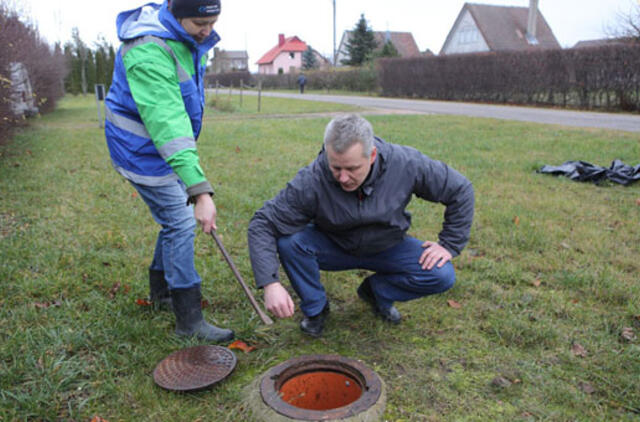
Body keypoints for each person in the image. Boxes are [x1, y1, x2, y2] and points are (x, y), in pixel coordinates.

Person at [248, 114, 474, 337]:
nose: (343, 178)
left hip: (388, 245)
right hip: (334, 244)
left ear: (372, 155)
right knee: (290, 243)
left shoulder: (406, 164)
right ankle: (316, 309)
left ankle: (377, 292)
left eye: (352, 169)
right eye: (336, 167)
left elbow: (460, 189)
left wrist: (449, 244)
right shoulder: (312, 179)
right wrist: (270, 283)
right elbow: (263, 223)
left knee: (441, 274)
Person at [104, 0, 234, 342]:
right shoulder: (148, 49)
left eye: (213, 21)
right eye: (198, 23)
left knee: (172, 216)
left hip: (163, 147)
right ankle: (189, 321)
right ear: (175, 16)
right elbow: (168, 122)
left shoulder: (184, 38)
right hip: (140, 150)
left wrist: (190, 178)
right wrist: (200, 190)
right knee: (179, 219)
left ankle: (160, 291)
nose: (207, 31)